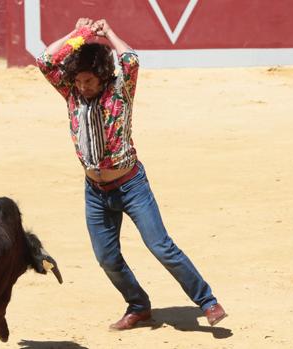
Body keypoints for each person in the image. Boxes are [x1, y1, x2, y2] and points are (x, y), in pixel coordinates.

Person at [36, 18, 227, 330]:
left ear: (102, 77)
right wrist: (77, 34)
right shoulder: (71, 92)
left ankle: (207, 301)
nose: (83, 87)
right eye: (79, 81)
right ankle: (138, 305)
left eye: (89, 81)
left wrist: (107, 33)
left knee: (161, 246)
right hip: (95, 191)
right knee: (106, 258)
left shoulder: (120, 92)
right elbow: (45, 60)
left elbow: (130, 59)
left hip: (131, 185)